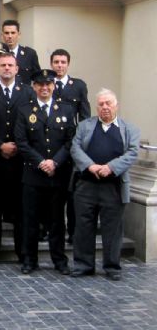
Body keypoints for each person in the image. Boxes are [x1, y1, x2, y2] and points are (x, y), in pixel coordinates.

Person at [70, 89, 139, 281]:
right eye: (101, 104)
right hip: (87, 185)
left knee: (113, 229)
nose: (105, 107)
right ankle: (83, 265)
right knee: (83, 226)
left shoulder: (129, 129)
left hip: (113, 187)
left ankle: (112, 266)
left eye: (108, 103)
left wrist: (110, 167)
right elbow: (75, 148)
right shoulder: (85, 126)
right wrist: (91, 166)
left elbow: (132, 153)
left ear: (116, 105)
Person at [14, 69, 74, 275]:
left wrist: (55, 162)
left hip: (57, 175)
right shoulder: (24, 110)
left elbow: (70, 141)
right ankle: (30, 260)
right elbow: (21, 142)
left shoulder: (66, 110)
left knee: (57, 220)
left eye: (48, 84)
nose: (45, 88)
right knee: (30, 220)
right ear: (34, 87)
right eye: (40, 84)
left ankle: (59, 259)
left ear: (54, 86)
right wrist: (41, 162)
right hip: (33, 174)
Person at [0, 52, 34, 265]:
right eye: (3, 65)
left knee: (21, 209)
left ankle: (24, 253)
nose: (7, 68)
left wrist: (18, 147)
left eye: (11, 65)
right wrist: (0, 145)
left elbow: (31, 124)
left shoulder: (27, 92)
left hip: (20, 161)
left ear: (17, 69)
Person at [50, 48, 91, 244]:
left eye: (63, 62)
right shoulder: (46, 83)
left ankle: (73, 232)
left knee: (71, 191)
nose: (59, 65)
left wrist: (80, 142)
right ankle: (48, 229)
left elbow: (84, 117)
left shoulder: (78, 86)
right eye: (56, 62)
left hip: (71, 145)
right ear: (51, 64)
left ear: (68, 64)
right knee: (50, 191)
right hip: (50, 144)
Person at [1, 19, 40, 84]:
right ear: (2, 35)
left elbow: (38, 78)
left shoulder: (30, 54)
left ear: (19, 34)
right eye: (7, 33)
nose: (10, 36)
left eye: (13, 33)